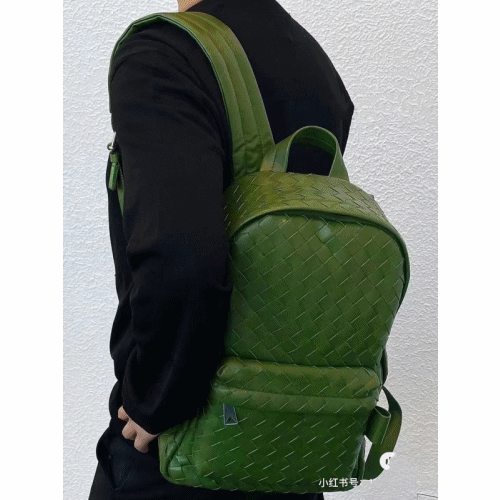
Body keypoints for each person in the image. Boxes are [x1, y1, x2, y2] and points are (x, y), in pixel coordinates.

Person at [88, 0, 355, 498]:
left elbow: (181, 261)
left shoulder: (165, 52)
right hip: (292, 437)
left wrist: (157, 400)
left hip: (185, 447)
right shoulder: (314, 64)